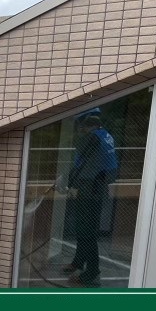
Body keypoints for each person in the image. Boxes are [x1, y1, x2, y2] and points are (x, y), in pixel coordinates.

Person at [61, 108, 118, 287]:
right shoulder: (105, 135)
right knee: (83, 229)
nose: (79, 130)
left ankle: (92, 273)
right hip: (97, 188)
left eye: (80, 126)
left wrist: (66, 182)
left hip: (90, 189)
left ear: (85, 124)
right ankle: (78, 262)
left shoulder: (91, 138)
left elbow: (81, 164)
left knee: (87, 232)